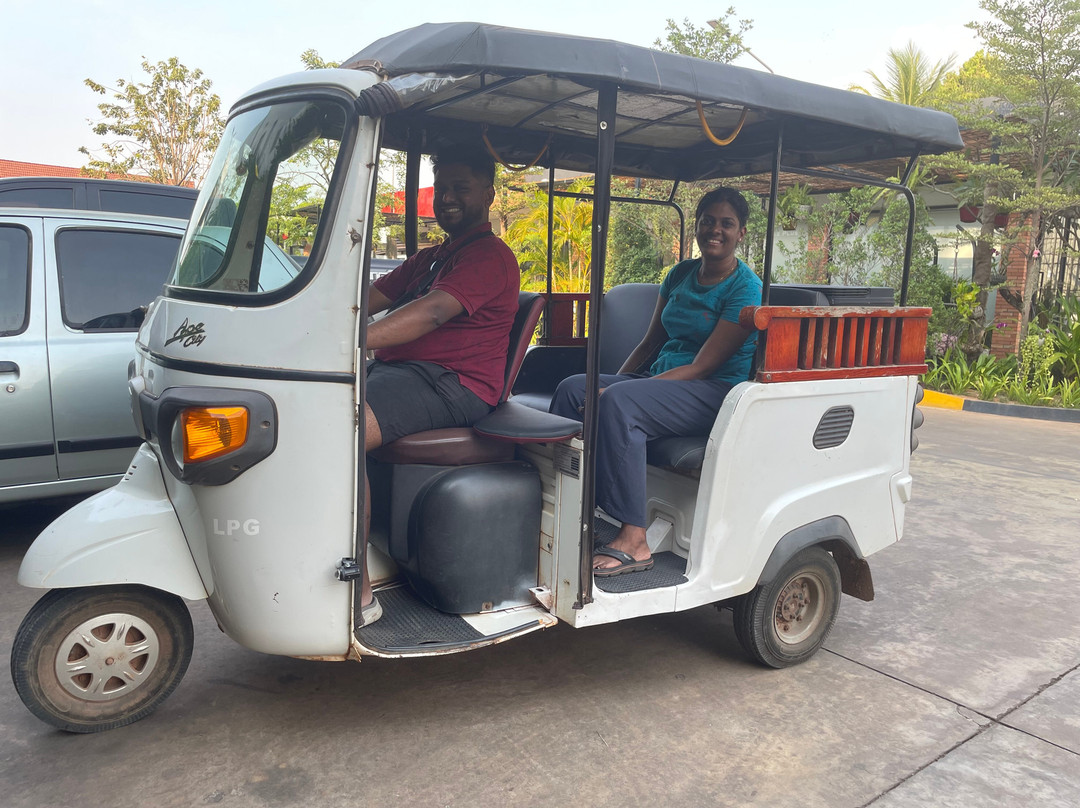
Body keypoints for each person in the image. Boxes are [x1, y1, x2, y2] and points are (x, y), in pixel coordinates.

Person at [550, 186, 761, 577]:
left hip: (713, 392)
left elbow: (701, 366)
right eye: (708, 221)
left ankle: (634, 539)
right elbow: (650, 342)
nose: (715, 230)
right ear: (697, 226)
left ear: (741, 233)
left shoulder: (745, 289)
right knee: (573, 387)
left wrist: (620, 391)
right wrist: (617, 378)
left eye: (726, 224)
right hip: (664, 380)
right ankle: (571, 506)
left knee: (619, 402)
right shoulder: (680, 274)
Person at [360, 144, 521, 622]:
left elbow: (432, 312)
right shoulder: (434, 257)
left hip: (454, 385)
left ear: (488, 194)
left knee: (337, 433)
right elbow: (370, 295)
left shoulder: (489, 258)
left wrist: (350, 341)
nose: (448, 198)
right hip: (405, 376)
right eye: (442, 189)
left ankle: (356, 588)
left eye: (461, 188)